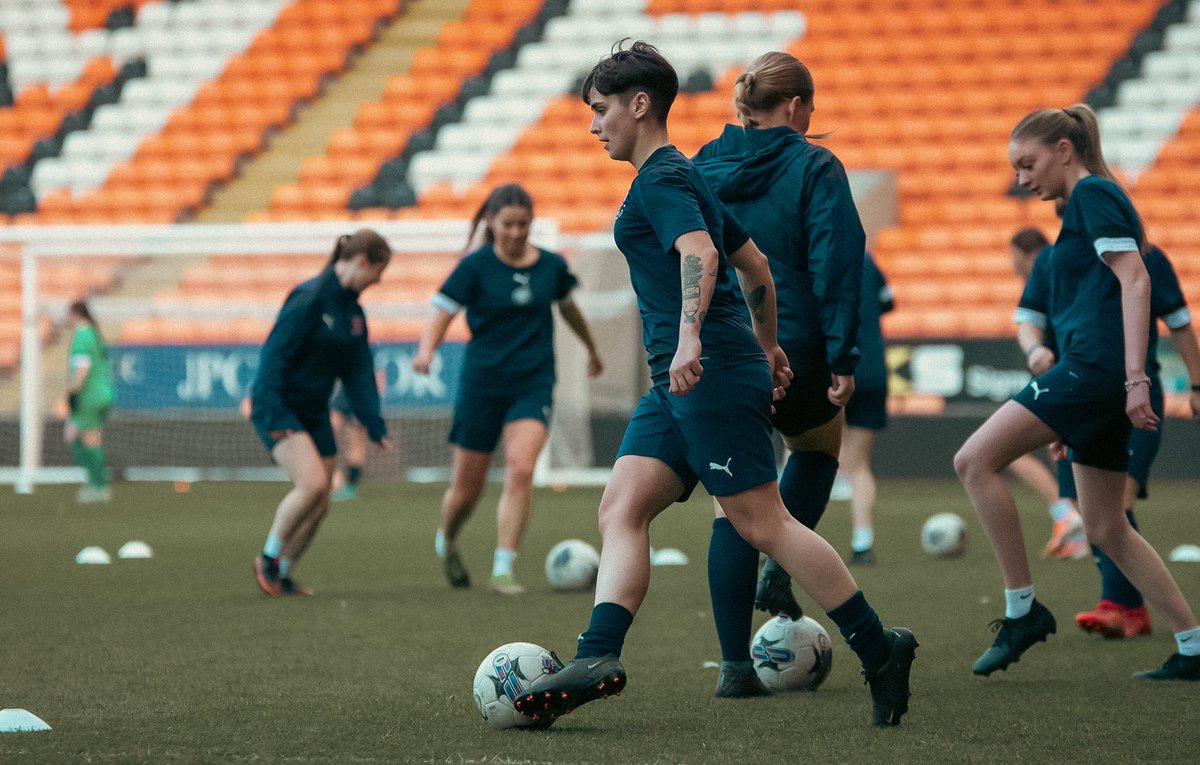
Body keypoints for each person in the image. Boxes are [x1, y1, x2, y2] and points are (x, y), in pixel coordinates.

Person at [513, 41, 916, 727]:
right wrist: (770, 349)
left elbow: (702, 254)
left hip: (704, 370)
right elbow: (755, 265)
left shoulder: (666, 179)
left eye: (600, 110)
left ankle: (879, 648)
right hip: (692, 374)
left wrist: (700, 340)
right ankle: (598, 653)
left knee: (762, 521)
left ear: (639, 106)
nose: (593, 125)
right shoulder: (683, 173)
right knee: (621, 505)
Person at [955, 104, 1199, 681]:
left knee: (973, 461)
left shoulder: (1093, 195)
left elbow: (1136, 279)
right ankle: (1193, 646)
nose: (1021, 179)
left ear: (1065, 149)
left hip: (1093, 373)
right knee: (1108, 527)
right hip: (1098, 381)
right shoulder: (1088, 210)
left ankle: (1022, 611)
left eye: (1027, 163)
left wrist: (1135, 378)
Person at [690, 50, 870, 696]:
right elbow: (836, 261)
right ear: (796, 108)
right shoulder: (815, 163)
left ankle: (735, 666)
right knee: (818, 448)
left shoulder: (700, 163)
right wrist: (845, 356)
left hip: (719, 349)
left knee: (731, 504)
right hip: (797, 344)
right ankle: (781, 565)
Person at [412, 183, 603, 596]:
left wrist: (591, 350)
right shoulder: (474, 267)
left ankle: (503, 566)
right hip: (481, 384)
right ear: (491, 223)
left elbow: (569, 310)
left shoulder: (551, 266)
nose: (517, 232)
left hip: (532, 384)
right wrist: (427, 349)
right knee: (466, 491)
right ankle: (447, 536)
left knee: (520, 469)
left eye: (523, 224)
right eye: (509, 224)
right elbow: (443, 312)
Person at [1017, 234, 1200, 638]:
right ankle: (1131, 609)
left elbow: (1179, 320)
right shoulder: (1051, 259)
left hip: (1135, 396)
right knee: (1095, 513)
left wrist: (1197, 382)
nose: (1027, 180)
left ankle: (1124, 606)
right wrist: (1036, 355)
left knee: (1115, 505)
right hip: (1076, 395)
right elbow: (1028, 319)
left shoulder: (1147, 257)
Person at [251, 229, 394, 598]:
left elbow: (359, 372)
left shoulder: (354, 313)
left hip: (314, 413)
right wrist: (273, 409)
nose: (378, 281)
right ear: (362, 262)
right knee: (313, 485)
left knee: (321, 503)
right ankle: (267, 559)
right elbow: (273, 356)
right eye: (377, 272)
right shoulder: (309, 298)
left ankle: (282, 573)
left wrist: (374, 423)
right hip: (279, 408)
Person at [1009, 227, 1088, 560]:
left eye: (1013, 255)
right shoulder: (1066, 269)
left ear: (1026, 253)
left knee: (1007, 448)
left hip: (1057, 377)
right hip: (1076, 375)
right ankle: (1076, 530)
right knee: (1066, 454)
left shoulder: (1045, 271)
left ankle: (1066, 515)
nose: (1011, 264)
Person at [838, 251, 894, 565]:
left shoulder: (815, 254)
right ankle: (863, 541)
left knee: (801, 452)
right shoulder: (868, 260)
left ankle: (784, 543)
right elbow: (887, 303)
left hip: (832, 369)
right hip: (872, 369)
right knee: (859, 464)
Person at [65, 300, 114, 503]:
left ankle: (99, 486)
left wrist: (73, 387)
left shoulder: (82, 335)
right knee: (77, 435)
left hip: (89, 395)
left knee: (88, 438)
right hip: (102, 392)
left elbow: (83, 365)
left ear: (75, 314)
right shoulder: (95, 333)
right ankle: (96, 483)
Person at [329, 382, 369, 502]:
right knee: (326, 435)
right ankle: (334, 476)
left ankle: (350, 487)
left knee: (356, 444)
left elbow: (378, 376)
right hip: (345, 392)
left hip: (361, 395)